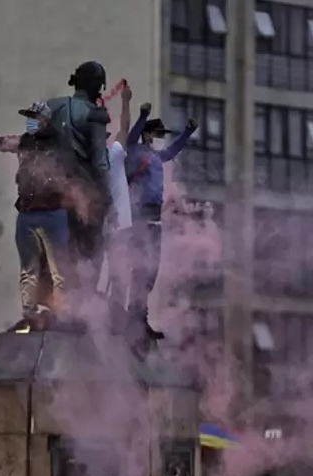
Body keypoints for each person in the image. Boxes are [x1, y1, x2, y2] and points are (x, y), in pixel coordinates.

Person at [0, 102, 73, 331]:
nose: (30, 121)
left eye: (34, 116)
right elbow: (1, 142)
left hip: (53, 213)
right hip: (27, 214)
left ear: (45, 120)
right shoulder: (25, 142)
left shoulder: (60, 145)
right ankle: (29, 315)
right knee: (28, 269)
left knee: (58, 269)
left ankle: (61, 315)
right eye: (29, 116)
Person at [124, 103, 197, 349]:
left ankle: (140, 317)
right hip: (140, 216)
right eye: (156, 135)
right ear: (147, 135)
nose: (159, 140)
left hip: (154, 218)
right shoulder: (136, 152)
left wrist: (187, 134)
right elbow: (131, 138)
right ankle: (133, 319)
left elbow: (173, 151)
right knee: (140, 268)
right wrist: (143, 115)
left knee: (150, 271)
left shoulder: (156, 157)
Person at [47, 61, 113, 294]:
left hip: (50, 190)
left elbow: (30, 138)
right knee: (91, 248)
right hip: (84, 189)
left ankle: (59, 298)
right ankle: (84, 298)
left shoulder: (50, 106)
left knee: (59, 247)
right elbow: (99, 160)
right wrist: (108, 195)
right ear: (97, 86)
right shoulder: (95, 115)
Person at [102, 80, 134, 333]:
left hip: (115, 227)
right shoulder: (112, 154)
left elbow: (124, 127)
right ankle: (108, 317)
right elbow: (124, 127)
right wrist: (125, 101)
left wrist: (125, 102)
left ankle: (113, 317)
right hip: (109, 226)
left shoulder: (112, 154)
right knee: (115, 274)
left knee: (117, 274)